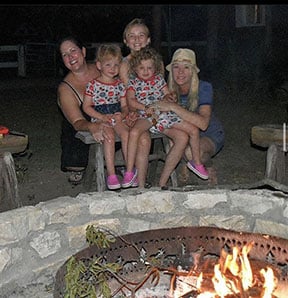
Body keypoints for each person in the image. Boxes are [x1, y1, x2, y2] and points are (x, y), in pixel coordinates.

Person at [122, 46, 201, 188]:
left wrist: (170, 97)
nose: (146, 71)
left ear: (155, 68)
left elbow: (166, 94)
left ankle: (162, 183)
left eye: (149, 68)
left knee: (185, 135)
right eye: (142, 68)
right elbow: (131, 101)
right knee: (135, 132)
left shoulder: (158, 79)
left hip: (163, 117)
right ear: (135, 69)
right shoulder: (134, 83)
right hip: (148, 116)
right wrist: (146, 108)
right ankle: (131, 173)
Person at [157, 48, 225, 189]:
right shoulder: (165, 90)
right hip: (184, 133)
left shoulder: (204, 87)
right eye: (176, 67)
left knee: (189, 152)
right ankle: (183, 167)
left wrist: (173, 107)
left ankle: (209, 167)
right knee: (172, 145)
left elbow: (203, 124)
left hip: (209, 134)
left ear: (193, 71)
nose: (180, 72)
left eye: (186, 67)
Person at [57, 36, 111, 185]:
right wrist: (92, 126)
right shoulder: (65, 88)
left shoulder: (103, 68)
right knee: (76, 160)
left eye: (73, 51)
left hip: (111, 119)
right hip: (82, 126)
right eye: (65, 55)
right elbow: (77, 121)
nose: (70, 57)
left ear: (83, 51)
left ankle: (116, 160)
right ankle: (78, 166)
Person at [82, 44, 130, 190]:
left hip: (116, 115)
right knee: (108, 135)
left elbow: (124, 105)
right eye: (108, 64)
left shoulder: (120, 85)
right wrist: (101, 117)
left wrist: (122, 114)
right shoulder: (93, 85)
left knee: (126, 133)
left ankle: (129, 169)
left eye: (116, 64)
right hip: (100, 116)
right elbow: (86, 107)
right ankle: (111, 173)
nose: (113, 68)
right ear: (99, 65)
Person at [119, 18, 157, 189]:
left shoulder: (155, 61)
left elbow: (159, 87)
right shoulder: (125, 65)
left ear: (148, 40)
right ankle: (135, 180)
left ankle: (140, 184)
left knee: (143, 136)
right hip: (131, 108)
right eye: (132, 36)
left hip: (152, 111)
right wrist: (131, 111)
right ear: (126, 41)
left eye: (141, 35)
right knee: (143, 139)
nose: (136, 39)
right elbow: (128, 95)